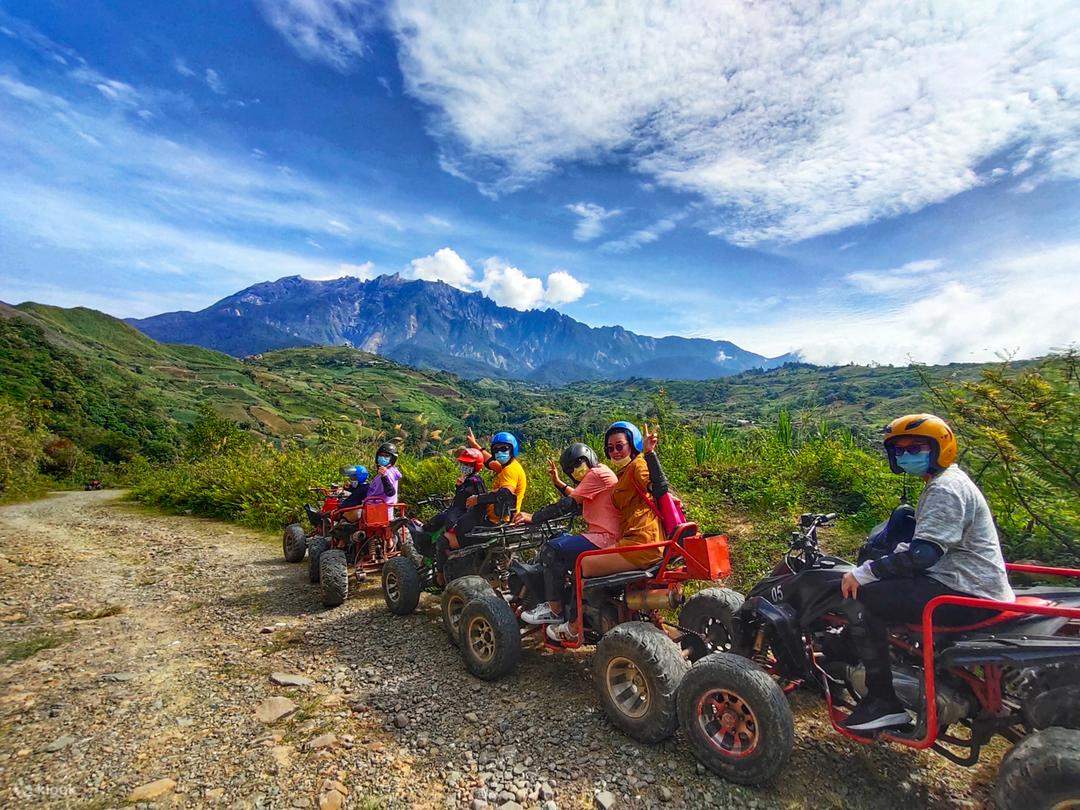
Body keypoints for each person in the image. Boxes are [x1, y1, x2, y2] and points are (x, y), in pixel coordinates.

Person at [839, 413, 1015, 732]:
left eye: (916, 447)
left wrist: (865, 573)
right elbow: (924, 543)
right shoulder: (944, 483)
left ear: (939, 449)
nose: (907, 455)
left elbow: (923, 555)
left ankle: (882, 701)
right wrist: (886, 563)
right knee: (885, 584)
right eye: (900, 450)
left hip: (966, 593)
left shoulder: (945, 489)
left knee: (862, 597)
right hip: (965, 584)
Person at [546, 420, 669, 643]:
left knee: (582, 563)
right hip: (638, 541)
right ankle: (650, 621)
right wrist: (558, 483)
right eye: (610, 448)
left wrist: (650, 454)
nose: (614, 451)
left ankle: (574, 626)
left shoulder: (638, 466)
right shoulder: (623, 472)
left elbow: (659, 488)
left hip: (640, 544)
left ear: (633, 445)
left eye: (620, 446)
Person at [519, 441, 619, 626]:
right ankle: (569, 602)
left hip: (604, 538)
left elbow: (568, 504)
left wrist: (534, 517)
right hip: (606, 536)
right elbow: (578, 496)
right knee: (560, 540)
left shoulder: (596, 473)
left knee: (551, 550)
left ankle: (554, 609)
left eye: (578, 463)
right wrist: (558, 483)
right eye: (571, 469)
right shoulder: (600, 473)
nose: (576, 470)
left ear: (589, 458)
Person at [446, 429, 528, 545]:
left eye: (503, 448)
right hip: (498, 517)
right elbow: (490, 461)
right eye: (496, 449)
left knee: (450, 534)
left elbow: (505, 494)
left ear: (512, 449)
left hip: (495, 522)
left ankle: (452, 558)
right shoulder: (508, 466)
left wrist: (477, 499)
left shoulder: (510, 471)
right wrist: (474, 444)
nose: (499, 452)